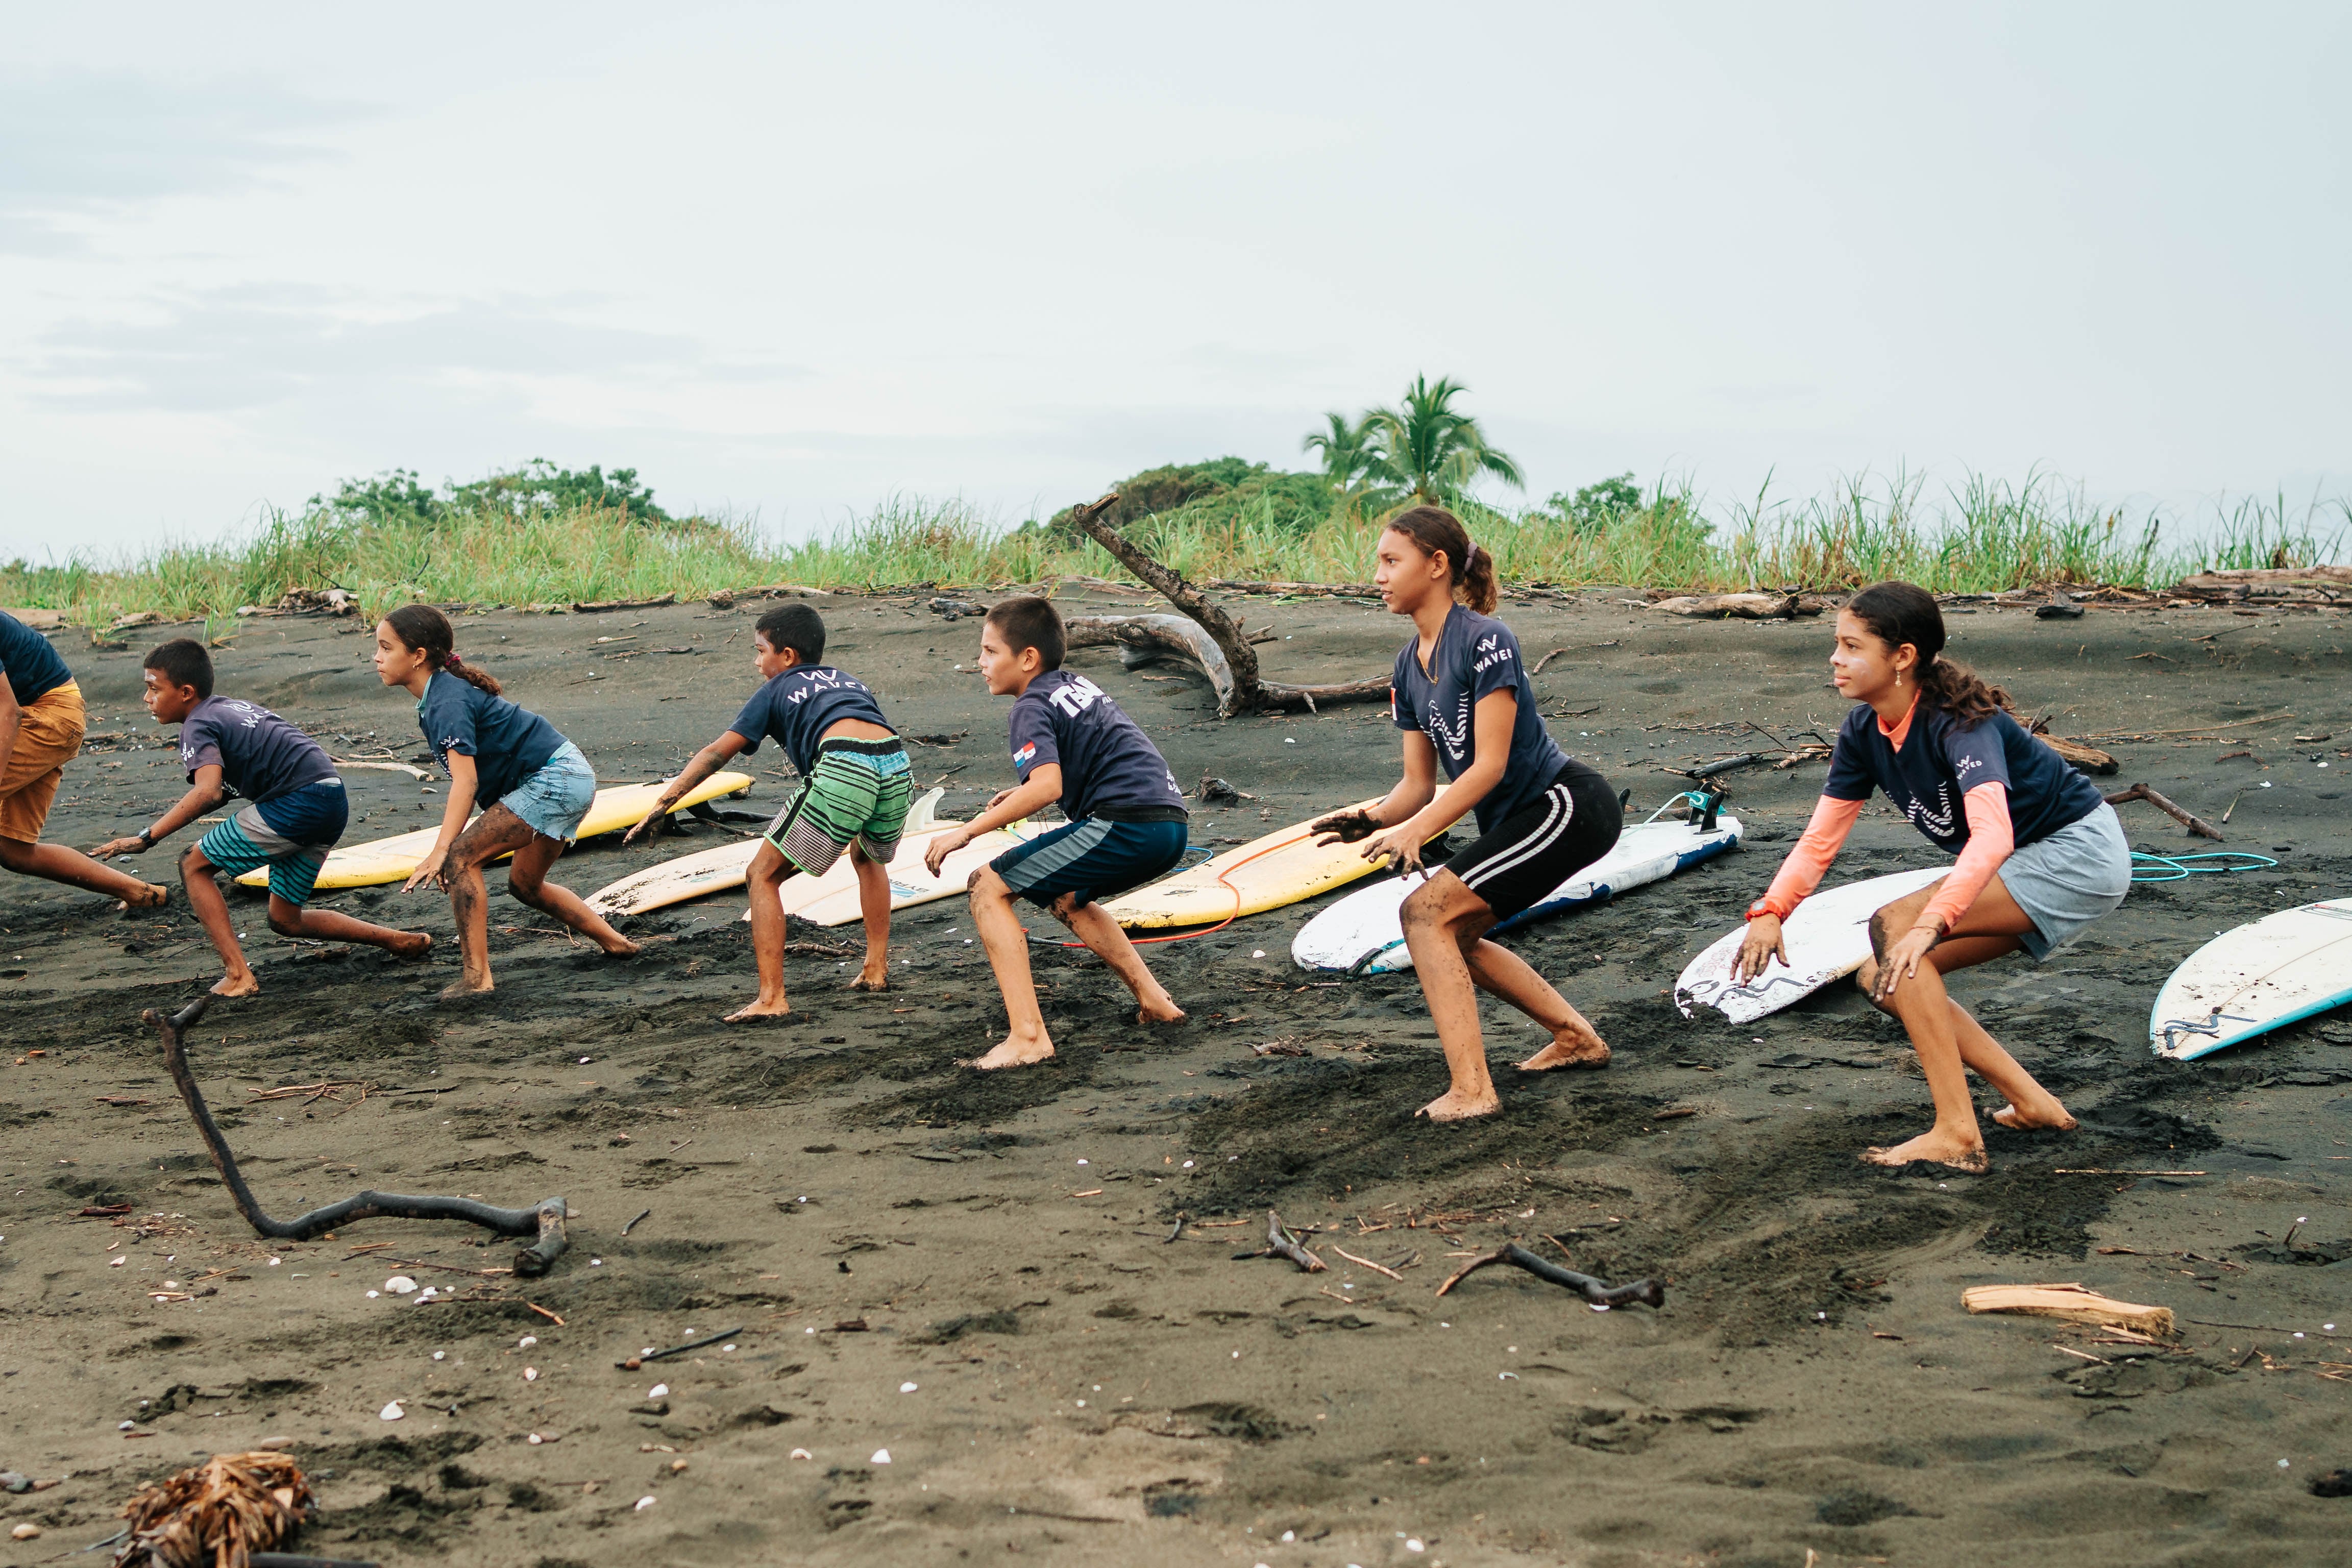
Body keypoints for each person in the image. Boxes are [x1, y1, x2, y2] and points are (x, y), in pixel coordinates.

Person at [1733, 580, 2129, 1172]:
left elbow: (1993, 835)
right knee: (1883, 979)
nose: (1835, 659)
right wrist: (1770, 912)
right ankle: (2034, 1102)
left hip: (2076, 854)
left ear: (1903, 657)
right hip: (2025, 861)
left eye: (1851, 645)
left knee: (1895, 928)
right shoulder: (1864, 732)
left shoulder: (1961, 725)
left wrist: (1932, 921)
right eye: (1835, 645)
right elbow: (1822, 839)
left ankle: (1957, 1133)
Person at [1311, 506, 1624, 1122]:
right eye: (1378, 561)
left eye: (1390, 561)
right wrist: (1373, 820)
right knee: (1454, 932)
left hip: (1563, 806)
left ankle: (1473, 1091)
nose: (1376, 574)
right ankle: (1576, 1039)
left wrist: (1415, 833)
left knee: (1423, 914)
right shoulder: (1407, 666)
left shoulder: (1486, 639)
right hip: (1522, 819)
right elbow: (1417, 785)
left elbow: (1489, 767)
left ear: (1436, 566)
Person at [922, 596, 1189, 1069]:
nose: (979, 663)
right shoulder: (1074, 685)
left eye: (989, 651)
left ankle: (1027, 1037)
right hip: (1168, 823)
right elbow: (1083, 760)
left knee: (987, 886)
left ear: (1027, 658)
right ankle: (1156, 1001)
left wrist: (966, 832)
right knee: (1067, 896)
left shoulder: (1029, 705)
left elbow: (1048, 786)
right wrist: (1017, 791)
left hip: (1125, 823)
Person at [89, 639, 432, 994]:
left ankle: (239, 975)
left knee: (194, 865)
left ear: (186, 692)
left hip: (296, 803)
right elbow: (223, 790)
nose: (147, 700)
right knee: (286, 921)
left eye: (153, 689)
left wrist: (149, 837)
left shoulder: (197, 725)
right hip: (330, 798)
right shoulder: (231, 707)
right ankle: (398, 940)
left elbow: (207, 792)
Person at [624, 602, 911, 1020]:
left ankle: (772, 998)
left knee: (762, 874)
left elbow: (716, 754)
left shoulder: (776, 689)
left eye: (761, 651)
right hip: (896, 762)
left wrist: (664, 802)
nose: (757, 662)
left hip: (846, 764)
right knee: (867, 859)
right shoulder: (848, 680)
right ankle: (876, 969)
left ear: (788, 656)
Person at [374, 605, 638, 996]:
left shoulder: (446, 701)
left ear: (418, 657)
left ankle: (476, 979)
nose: (377, 658)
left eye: (385, 648)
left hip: (555, 779)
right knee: (525, 885)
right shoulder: (439, 696)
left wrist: (442, 849)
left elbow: (466, 783)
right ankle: (617, 943)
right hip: (568, 776)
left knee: (460, 858)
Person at [0, 609, 168, 909]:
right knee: (13, 850)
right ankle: (140, 893)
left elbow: (8, 712)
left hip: (48, 715)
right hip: (37, 712)